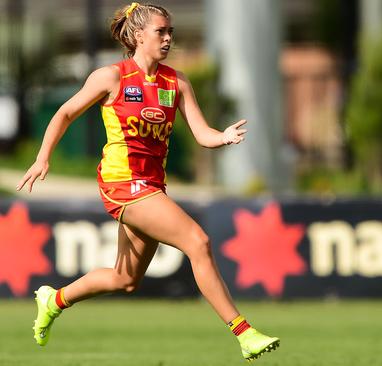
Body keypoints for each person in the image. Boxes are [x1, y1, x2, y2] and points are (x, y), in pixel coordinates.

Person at [16, 2, 279, 361]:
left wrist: (223, 136)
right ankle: (243, 333)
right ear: (138, 36)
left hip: (152, 185)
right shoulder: (112, 76)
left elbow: (202, 134)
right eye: (161, 31)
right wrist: (42, 157)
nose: (168, 38)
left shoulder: (177, 81)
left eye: (171, 32)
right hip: (122, 182)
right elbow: (64, 113)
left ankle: (54, 299)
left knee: (125, 279)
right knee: (197, 241)